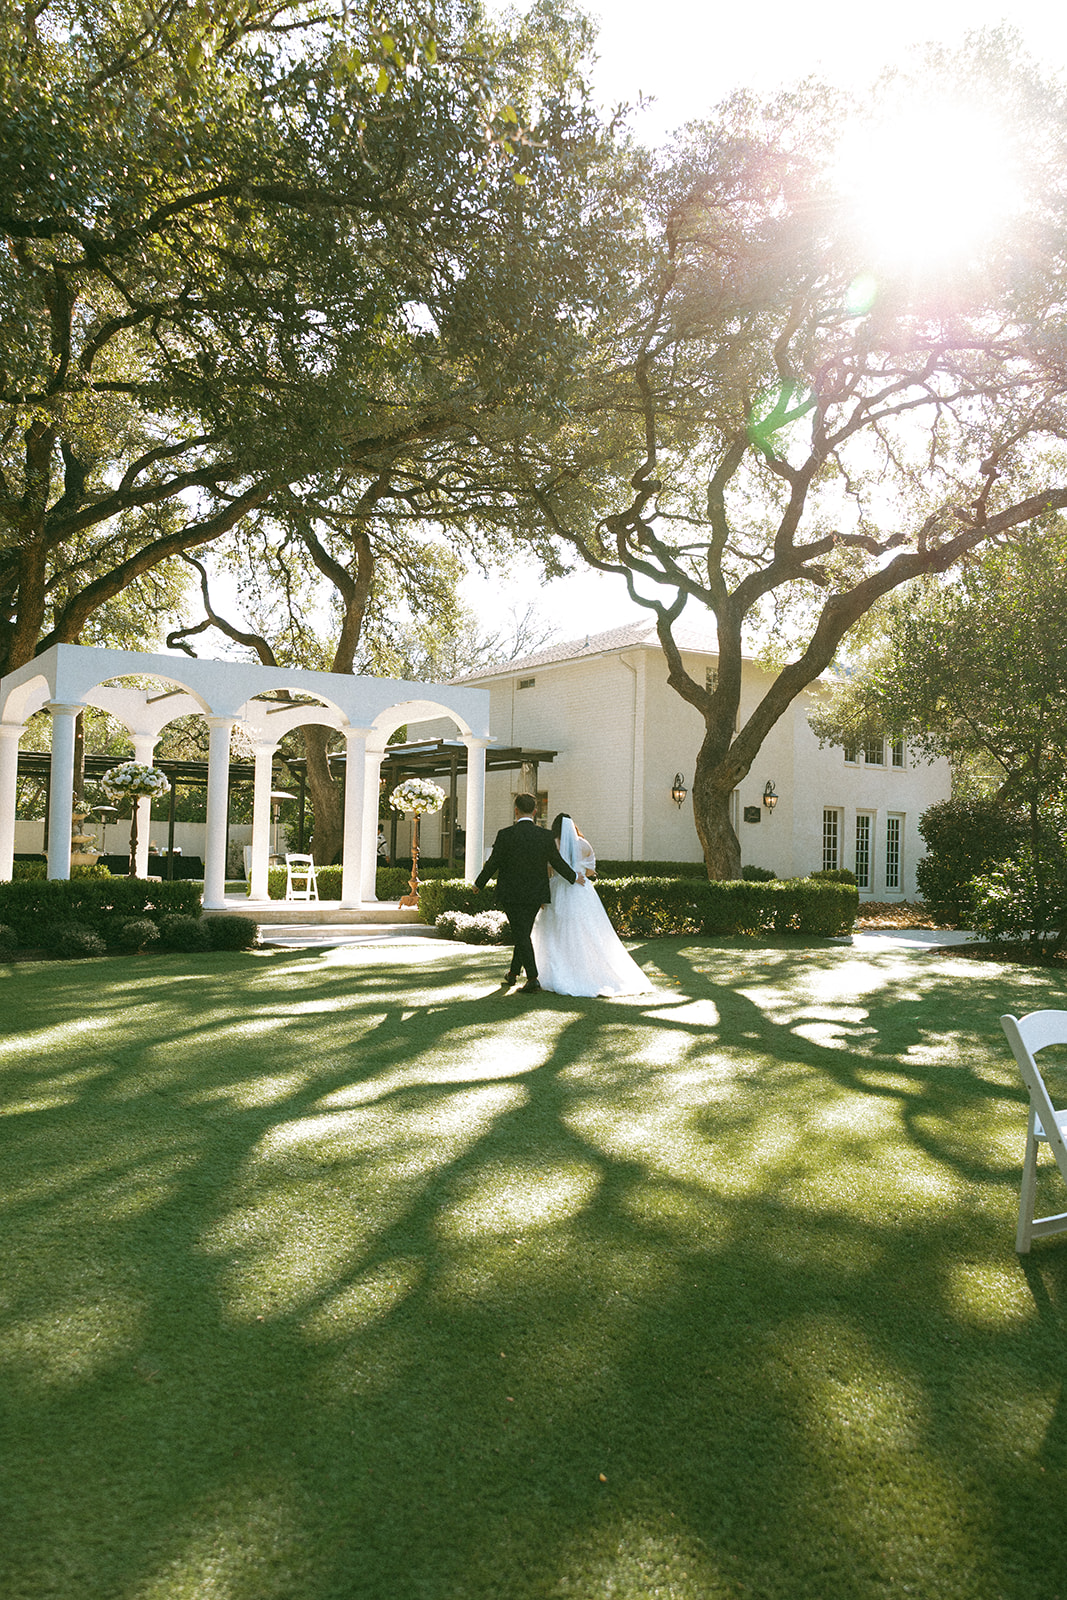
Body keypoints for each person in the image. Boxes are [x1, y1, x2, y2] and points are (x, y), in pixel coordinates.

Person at [531, 813, 653, 997]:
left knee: (554, 930)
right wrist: (577, 872)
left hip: (557, 890)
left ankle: (555, 971)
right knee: (587, 929)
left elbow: (548, 870)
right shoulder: (584, 844)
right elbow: (590, 871)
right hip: (581, 890)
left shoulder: (552, 843)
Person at [475, 793, 581, 993]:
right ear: (534, 811)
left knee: (521, 933)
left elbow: (493, 862)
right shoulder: (545, 835)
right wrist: (573, 876)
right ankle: (513, 973)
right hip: (535, 892)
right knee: (522, 932)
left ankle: (532, 977)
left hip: (510, 893)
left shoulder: (505, 834)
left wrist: (479, 883)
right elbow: (556, 861)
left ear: (516, 811)